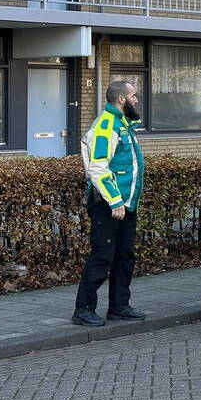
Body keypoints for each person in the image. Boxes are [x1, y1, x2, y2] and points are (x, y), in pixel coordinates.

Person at [72, 81, 146, 327]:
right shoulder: (107, 125)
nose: (137, 100)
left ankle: (119, 306)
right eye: (134, 96)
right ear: (122, 99)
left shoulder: (123, 124)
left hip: (125, 204)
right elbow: (98, 168)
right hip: (109, 204)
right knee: (102, 257)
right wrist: (114, 201)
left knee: (124, 256)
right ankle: (83, 310)